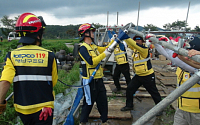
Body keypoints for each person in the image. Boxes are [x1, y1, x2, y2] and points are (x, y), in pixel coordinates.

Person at [0, 12, 58, 125]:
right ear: (38, 34)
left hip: (22, 109)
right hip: (44, 109)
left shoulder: (12, 55)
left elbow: (5, 82)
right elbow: (53, 82)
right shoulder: (49, 55)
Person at [152, 35, 200, 125]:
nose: (186, 54)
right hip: (181, 109)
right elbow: (169, 55)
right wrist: (157, 43)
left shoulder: (196, 69)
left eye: (189, 52)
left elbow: (184, 63)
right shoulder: (182, 66)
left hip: (197, 112)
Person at [119, 33, 162, 115]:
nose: (137, 41)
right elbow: (130, 44)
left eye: (139, 40)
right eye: (135, 40)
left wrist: (125, 36)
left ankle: (159, 109)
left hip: (147, 76)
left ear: (142, 41)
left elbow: (132, 44)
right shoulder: (135, 49)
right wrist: (121, 37)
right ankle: (129, 105)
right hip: (138, 76)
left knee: (154, 92)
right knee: (129, 89)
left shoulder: (144, 49)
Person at [78, 23, 112, 125]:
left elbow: (104, 49)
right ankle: (82, 122)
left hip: (99, 79)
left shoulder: (93, 46)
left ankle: (104, 121)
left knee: (103, 102)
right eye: (92, 31)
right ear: (86, 33)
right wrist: (104, 55)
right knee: (88, 103)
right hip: (89, 81)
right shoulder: (82, 48)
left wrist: (114, 41)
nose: (93, 33)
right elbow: (92, 62)